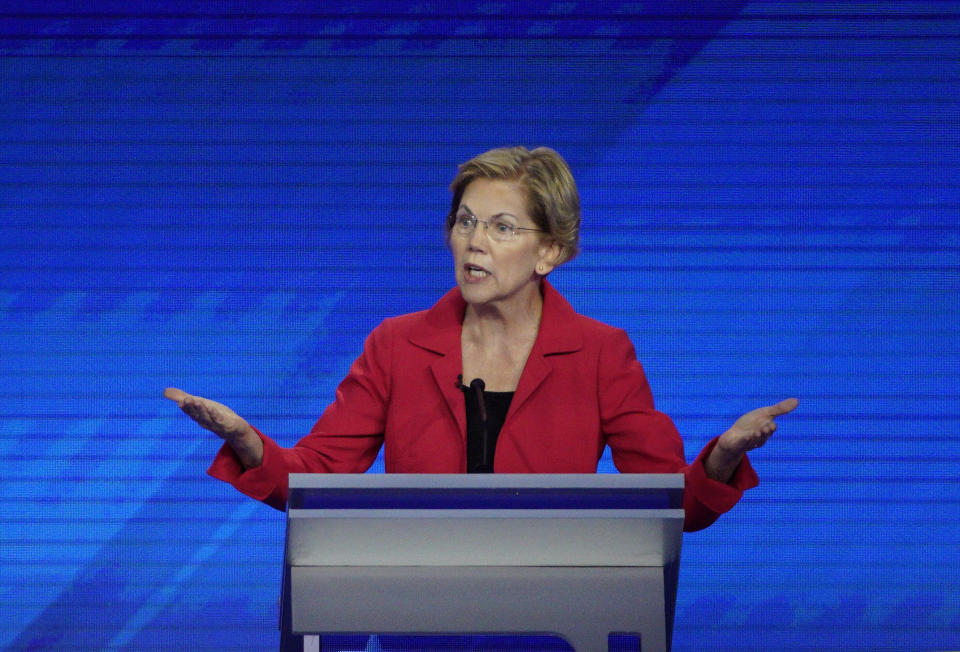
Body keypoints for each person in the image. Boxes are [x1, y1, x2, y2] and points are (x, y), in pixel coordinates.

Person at [165, 145, 797, 532]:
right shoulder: (397, 345)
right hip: (418, 602)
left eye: (501, 227)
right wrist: (248, 443)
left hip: (555, 609)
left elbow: (668, 507)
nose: (475, 241)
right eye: (465, 222)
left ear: (550, 251)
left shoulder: (602, 354)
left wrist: (722, 459)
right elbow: (319, 477)